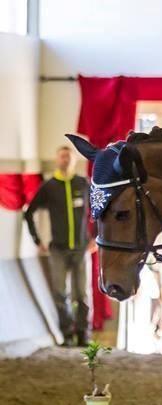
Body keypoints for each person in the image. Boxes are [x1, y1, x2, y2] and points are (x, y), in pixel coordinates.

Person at [24, 144, 95, 347]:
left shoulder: (83, 184)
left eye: (68, 156)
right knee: (60, 293)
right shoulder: (49, 186)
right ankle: (67, 334)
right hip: (58, 249)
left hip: (81, 248)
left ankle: (83, 334)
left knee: (82, 294)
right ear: (57, 160)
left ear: (73, 160)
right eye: (62, 156)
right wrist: (38, 240)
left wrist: (95, 237)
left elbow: (100, 211)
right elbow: (29, 213)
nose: (65, 160)